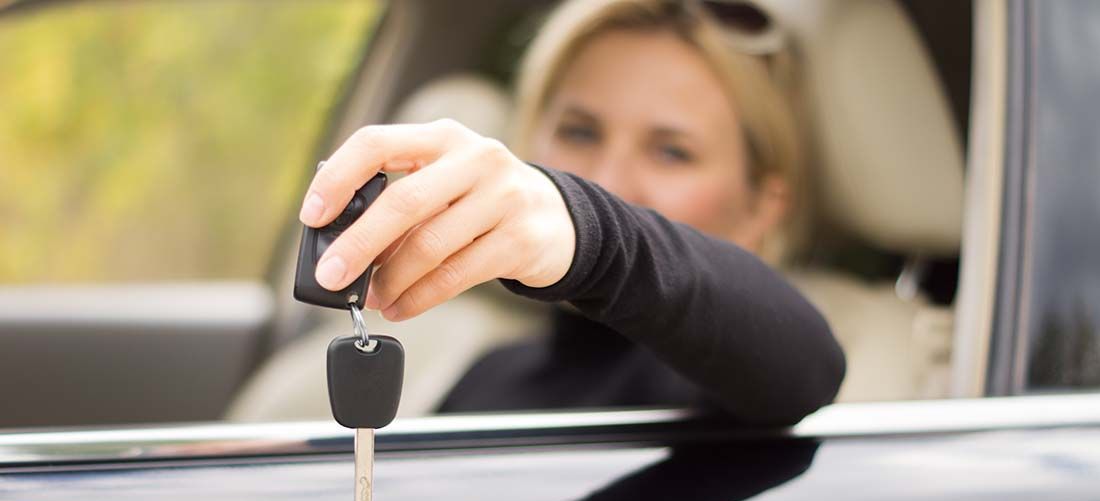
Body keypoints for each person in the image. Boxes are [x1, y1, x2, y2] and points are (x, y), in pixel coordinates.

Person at [298, 0, 844, 426]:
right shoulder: (485, 371)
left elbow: (808, 371)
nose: (604, 181)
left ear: (761, 210)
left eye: (672, 151)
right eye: (579, 132)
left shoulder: (714, 392)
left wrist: (591, 235)